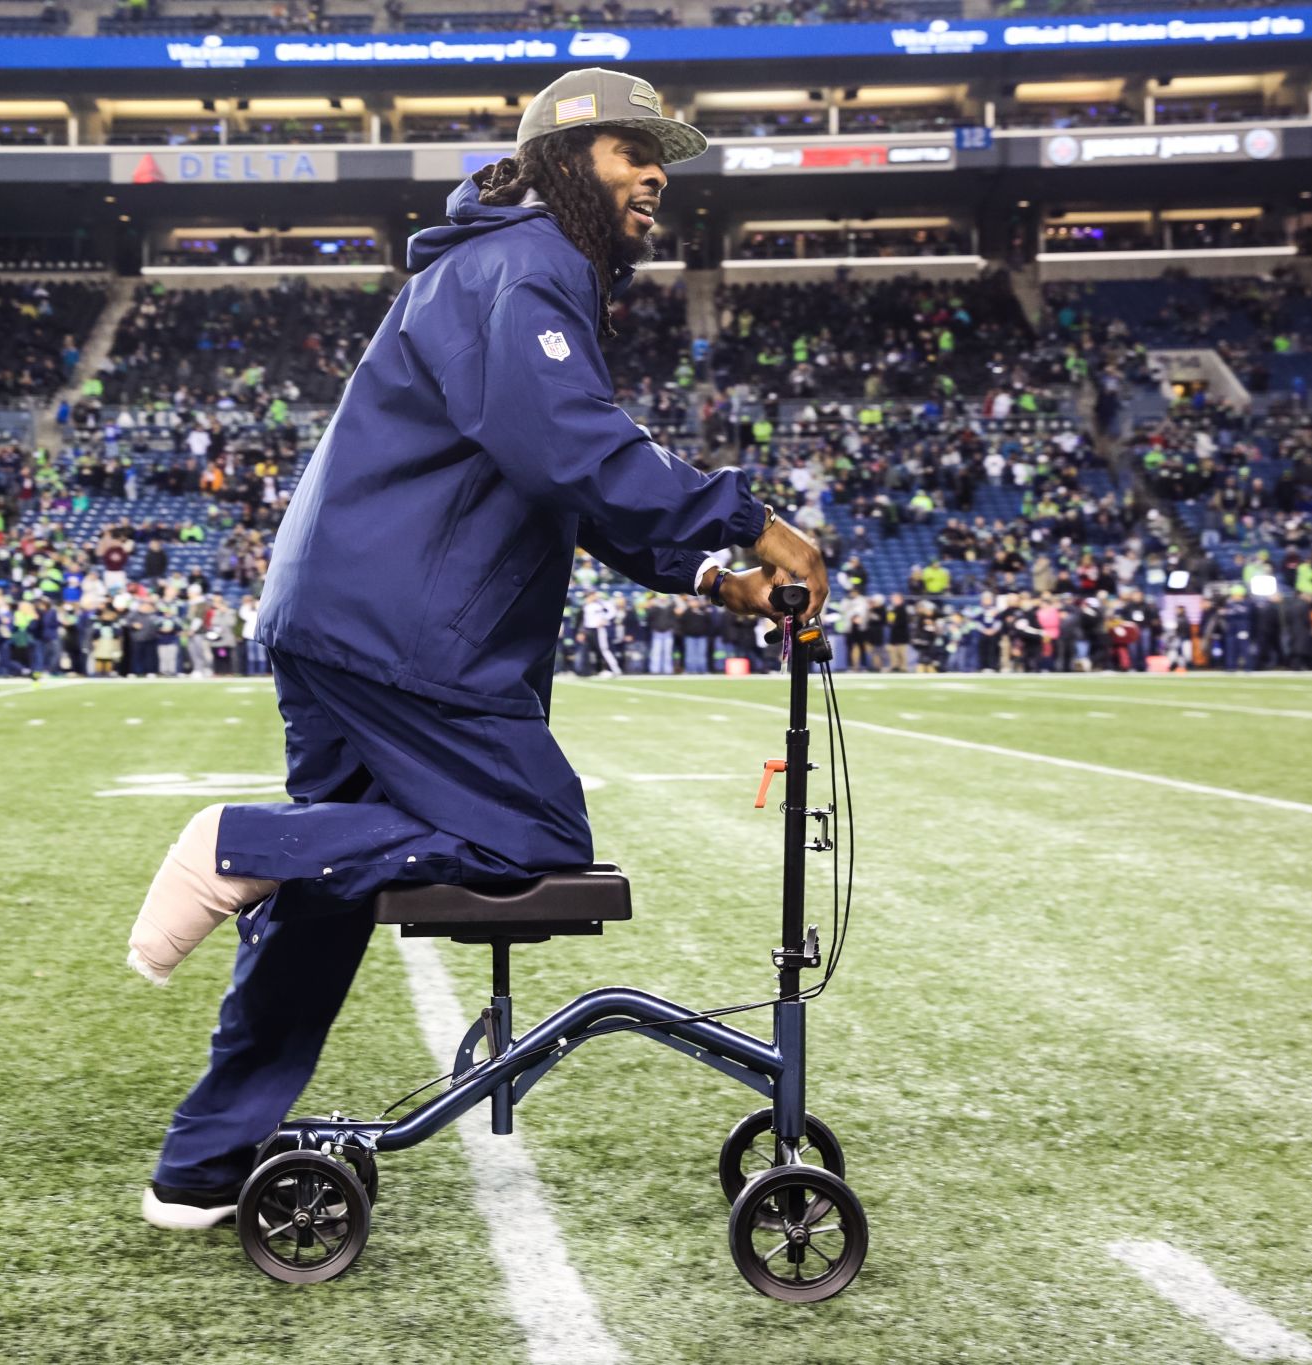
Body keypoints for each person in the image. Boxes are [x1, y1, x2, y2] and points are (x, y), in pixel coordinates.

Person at [122, 69, 826, 1229]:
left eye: (661, 155)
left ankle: (203, 1159)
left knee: (321, 885)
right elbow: (565, 448)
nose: (655, 173)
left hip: (345, 613)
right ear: (563, 160)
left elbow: (561, 483)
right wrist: (750, 520)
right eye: (627, 151)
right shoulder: (524, 263)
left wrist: (710, 574)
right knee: (533, 836)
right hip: (407, 626)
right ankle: (231, 841)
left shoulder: (505, 264)